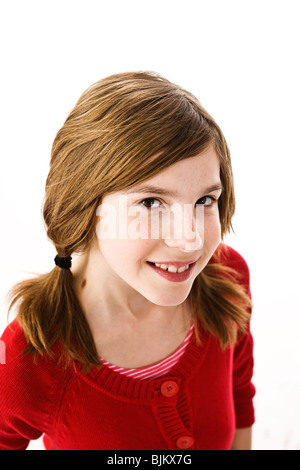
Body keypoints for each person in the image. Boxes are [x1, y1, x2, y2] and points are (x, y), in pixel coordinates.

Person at [0, 72, 255, 450]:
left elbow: (240, 395)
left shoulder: (227, 276)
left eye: (205, 201)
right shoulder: (29, 357)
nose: (189, 240)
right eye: (151, 203)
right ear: (87, 207)